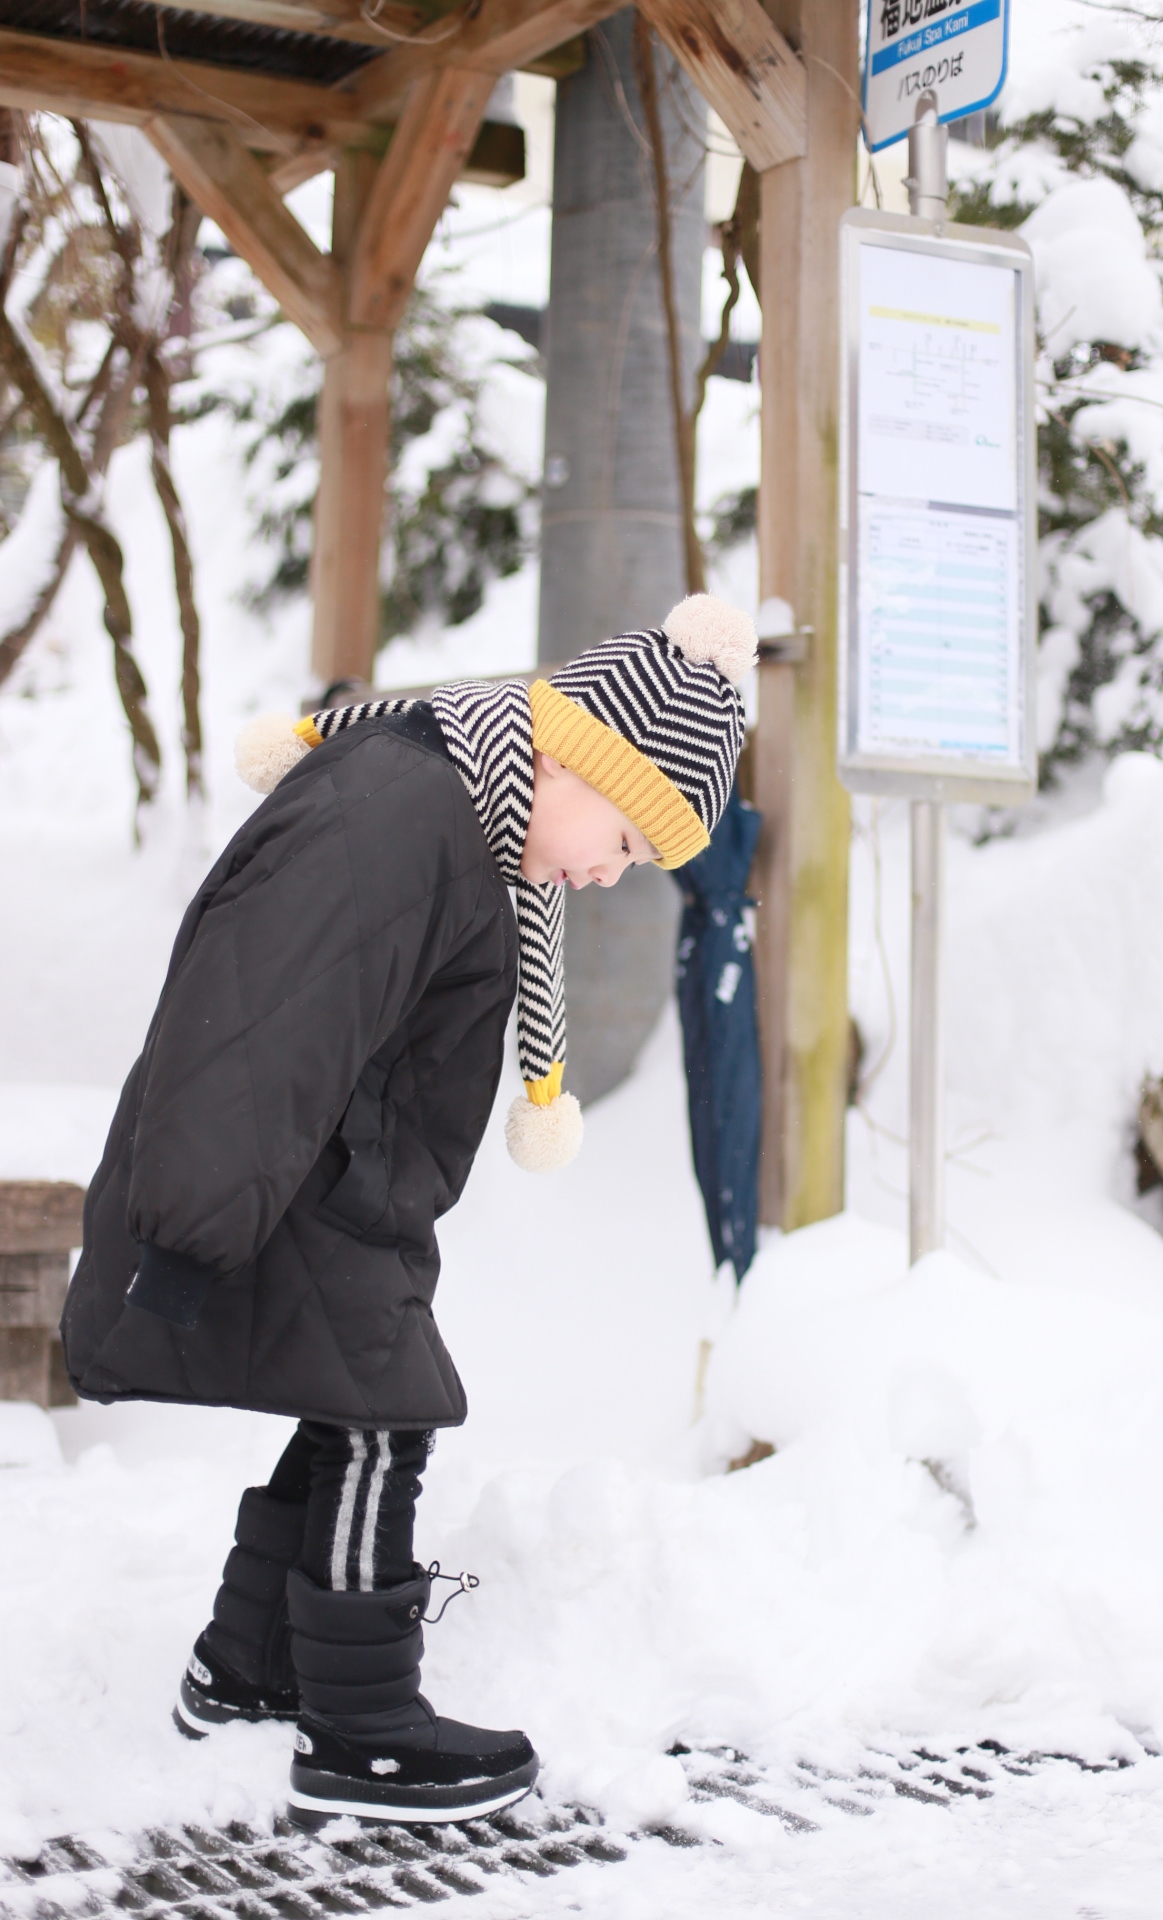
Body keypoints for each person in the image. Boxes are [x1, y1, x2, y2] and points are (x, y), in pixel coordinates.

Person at [61, 594, 756, 1828]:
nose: (607, 873)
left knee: (354, 1412)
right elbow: (263, 1018)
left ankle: (244, 1669)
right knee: (384, 1419)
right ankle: (362, 1730)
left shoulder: (454, 814)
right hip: (295, 1186)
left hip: (333, 1186)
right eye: (627, 840)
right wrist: (188, 1232)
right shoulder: (402, 812)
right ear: (584, 758)